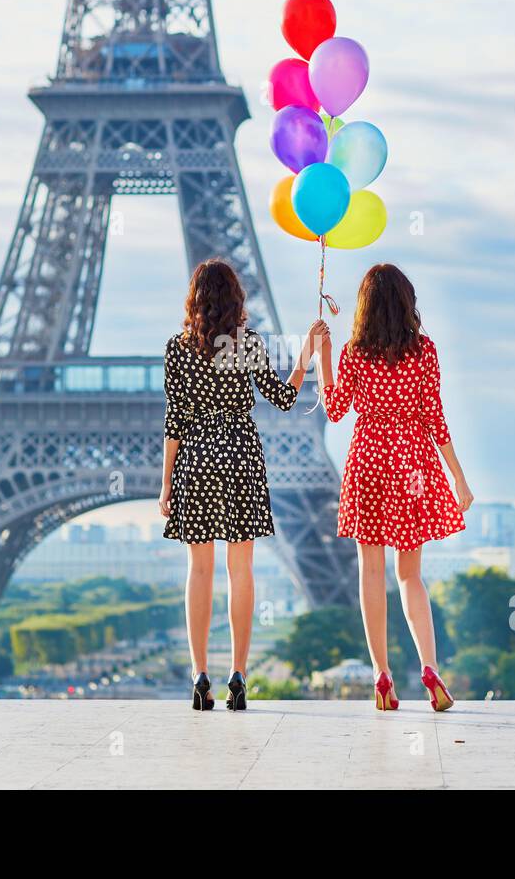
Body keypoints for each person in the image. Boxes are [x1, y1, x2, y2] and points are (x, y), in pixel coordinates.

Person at [160, 259, 325, 711]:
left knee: (198, 571)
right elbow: (283, 397)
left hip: (196, 455)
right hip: (240, 454)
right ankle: (238, 674)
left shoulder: (177, 347)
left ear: (194, 298)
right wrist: (308, 353)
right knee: (241, 571)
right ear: (237, 298)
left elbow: (174, 419)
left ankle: (199, 676)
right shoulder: (246, 343)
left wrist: (165, 484)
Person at [318, 263, 473, 712]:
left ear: (364, 307)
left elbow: (335, 410)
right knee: (409, 574)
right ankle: (429, 667)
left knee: (371, 572)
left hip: (368, 458)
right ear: (407, 302)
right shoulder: (424, 351)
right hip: (411, 462)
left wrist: (325, 356)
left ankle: (382, 676)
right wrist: (458, 476)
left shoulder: (354, 351)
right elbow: (434, 417)